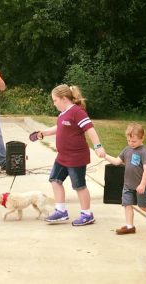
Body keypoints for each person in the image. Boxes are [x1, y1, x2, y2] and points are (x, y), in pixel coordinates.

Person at [37, 84, 106, 226]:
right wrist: (44, 132)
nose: (54, 103)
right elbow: (59, 127)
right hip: (62, 157)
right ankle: (61, 211)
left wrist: (98, 146)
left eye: (55, 100)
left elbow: (90, 128)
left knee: (79, 186)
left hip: (76, 157)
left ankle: (87, 214)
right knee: (55, 180)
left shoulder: (77, 112)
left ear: (63, 99)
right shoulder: (63, 114)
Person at [103, 122, 146, 234]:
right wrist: (105, 156)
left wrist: (142, 184)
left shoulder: (144, 151)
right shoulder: (127, 150)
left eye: (134, 141)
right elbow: (117, 162)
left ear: (142, 138)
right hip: (128, 185)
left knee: (144, 207)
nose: (131, 143)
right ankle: (130, 226)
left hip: (141, 185)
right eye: (129, 141)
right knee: (127, 204)